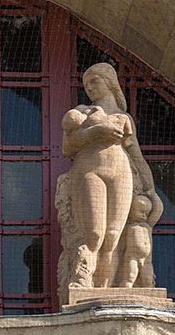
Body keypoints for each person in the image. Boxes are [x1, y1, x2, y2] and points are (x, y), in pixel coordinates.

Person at [61, 63, 161, 287]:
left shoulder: (123, 118)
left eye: (94, 81)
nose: (89, 88)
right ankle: (83, 280)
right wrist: (97, 132)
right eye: (86, 84)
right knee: (95, 233)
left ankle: (105, 289)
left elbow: (136, 155)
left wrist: (151, 189)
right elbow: (67, 147)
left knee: (113, 237)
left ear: (109, 82)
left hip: (120, 172)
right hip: (89, 170)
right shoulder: (83, 112)